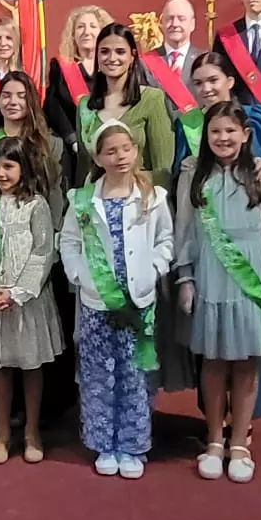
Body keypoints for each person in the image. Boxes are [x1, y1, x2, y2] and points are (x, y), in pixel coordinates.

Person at [176, 102, 261, 482]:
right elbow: (185, 232)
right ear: (205, 137)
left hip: (251, 276)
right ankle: (213, 438)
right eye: (215, 132)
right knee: (212, 362)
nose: (223, 138)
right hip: (210, 274)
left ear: (245, 135)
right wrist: (186, 277)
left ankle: (240, 442)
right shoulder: (194, 175)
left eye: (230, 131)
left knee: (246, 363)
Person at [60, 122, 173, 480]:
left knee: (135, 372)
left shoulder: (153, 197)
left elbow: (165, 241)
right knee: (98, 373)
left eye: (126, 148)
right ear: (97, 157)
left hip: (138, 301)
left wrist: (153, 269)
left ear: (136, 151)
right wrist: (80, 275)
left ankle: (132, 443)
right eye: (111, 151)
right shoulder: (81, 200)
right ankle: (103, 443)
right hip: (96, 302)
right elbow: (69, 243)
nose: (120, 156)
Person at [0, 136, 63, 465]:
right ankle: (3, 432)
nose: (1, 173)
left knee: (31, 366)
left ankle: (32, 432)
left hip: (26, 302)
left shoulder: (36, 205)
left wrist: (18, 292)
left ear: (23, 168)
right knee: (0, 368)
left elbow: (43, 252)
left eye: (9, 166)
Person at [78, 22, 175, 192]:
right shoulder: (85, 105)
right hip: (97, 203)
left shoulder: (152, 99)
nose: (112, 58)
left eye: (120, 52)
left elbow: (163, 169)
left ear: (132, 57)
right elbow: (84, 166)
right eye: (105, 52)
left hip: (142, 202)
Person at [180, 52, 261, 172]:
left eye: (213, 80)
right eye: (198, 83)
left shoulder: (254, 117)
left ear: (230, 82)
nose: (206, 89)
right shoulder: (189, 124)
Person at [0, 69, 67, 195]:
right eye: (6, 96)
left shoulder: (50, 144)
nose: (13, 102)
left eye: (21, 96)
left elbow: (54, 192)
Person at [44, 4, 109, 140]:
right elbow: (55, 107)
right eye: (80, 27)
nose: (86, 32)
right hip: (73, 144)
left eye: (93, 26)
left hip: (109, 139)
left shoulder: (111, 65)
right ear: (72, 35)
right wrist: (72, 139)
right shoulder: (60, 66)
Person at [149, 0, 201, 91]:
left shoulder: (203, 59)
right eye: (169, 19)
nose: (175, 24)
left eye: (181, 19)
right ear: (161, 23)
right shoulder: (145, 63)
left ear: (192, 24)